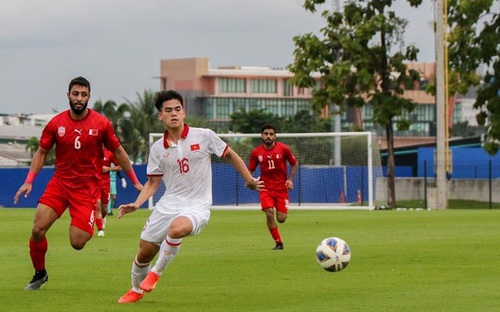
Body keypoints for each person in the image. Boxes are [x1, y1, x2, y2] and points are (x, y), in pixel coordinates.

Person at [116, 90, 263, 303]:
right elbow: (153, 182)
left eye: (177, 109)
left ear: (184, 112)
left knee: (177, 229)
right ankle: (136, 289)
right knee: (144, 252)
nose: (174, 114)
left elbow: (229, 153)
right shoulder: (158, 148)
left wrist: (249, 179)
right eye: (168, 110)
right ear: (160, 116)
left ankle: (156, 273)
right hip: (168, 204)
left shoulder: (204, 136)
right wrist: (137, 204)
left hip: (197, 205)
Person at [13, 76, 143, 290]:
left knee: (77, 243)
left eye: (83, 95)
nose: (79, 98)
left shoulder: (101, 124)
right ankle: (40, 274)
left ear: (89, 97)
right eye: (75, 94)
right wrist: (29, 181)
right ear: (68, 96)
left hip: (85, 189)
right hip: (60, 184)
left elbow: (119, 152)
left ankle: (87, 220)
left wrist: (135, 181)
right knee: (37, 229)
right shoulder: (56, 123)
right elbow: (42, 152)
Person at [248, 124, 298, 250]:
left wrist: (290, 180)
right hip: (265, 188)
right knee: (269, 213)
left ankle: (278, 237)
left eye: (271, 134)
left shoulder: (284, 149)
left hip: (281, 188)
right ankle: (278, 242)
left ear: (275, 136)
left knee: (281, 219)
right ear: (262, 135)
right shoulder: (256, 152)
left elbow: (294, 163)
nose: (268, 136)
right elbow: (250, 170)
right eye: (266, 134)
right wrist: (250, 182)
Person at [95, 146, 123, 237]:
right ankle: (100, 230)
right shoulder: (91, 151)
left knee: (104, 208)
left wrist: (108, 169)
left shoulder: (109, 153)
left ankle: (103, 217)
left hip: (105, 183)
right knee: (97, 205)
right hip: (94, 183)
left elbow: (120, 167)